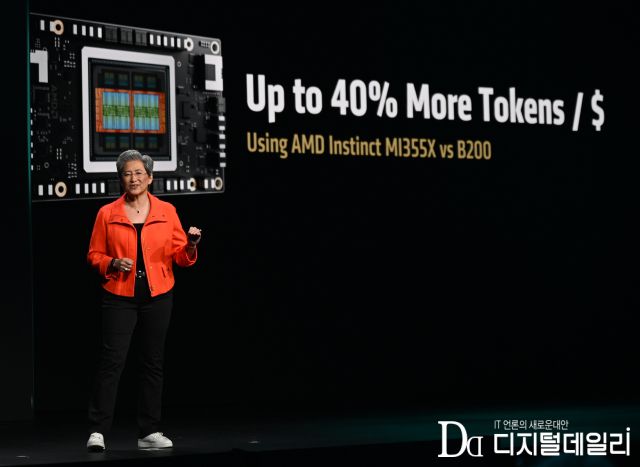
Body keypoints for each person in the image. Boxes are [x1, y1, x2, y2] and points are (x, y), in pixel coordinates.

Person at [85, 149, 202, 452]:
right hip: (118, 295)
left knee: (153, 362)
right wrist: (112, 263)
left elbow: (181, 257)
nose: (133, 178)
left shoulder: (167, 211)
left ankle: (149, 431)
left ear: (150, 178)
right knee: (112, 362)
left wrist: (191, 245)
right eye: (127, 173)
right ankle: (97, 431)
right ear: (120, 179)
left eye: (139, 173)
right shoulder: (107, 213)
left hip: (158, 294)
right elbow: (94, 255)